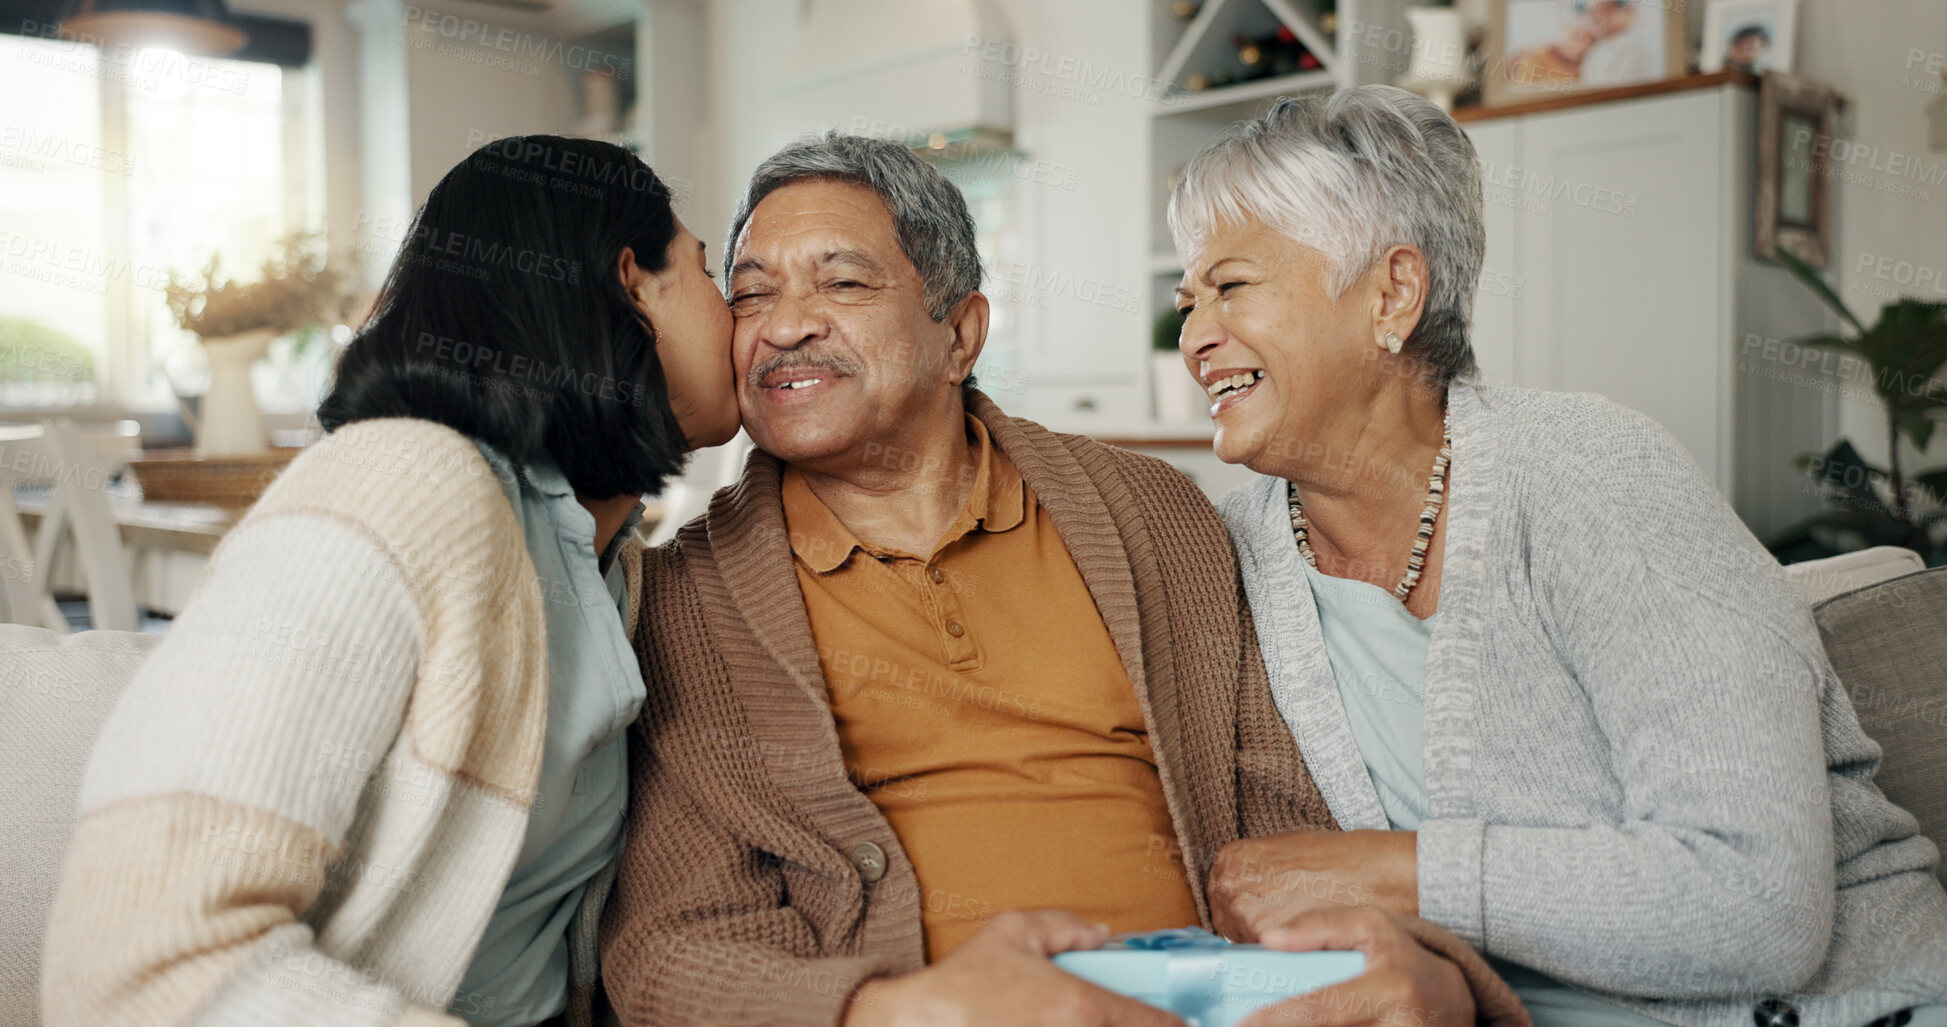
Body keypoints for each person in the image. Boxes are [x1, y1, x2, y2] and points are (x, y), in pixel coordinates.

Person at [598, 133, 1527, 1027]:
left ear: (959, 335)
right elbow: (670, 947)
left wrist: (1418, 963)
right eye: (751, 296)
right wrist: (897, 1011)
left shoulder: (1151, 515)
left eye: (842, 282)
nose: (787, 326)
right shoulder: (685, 601)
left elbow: (1290, 808)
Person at [1167, 85, 1947, 1027]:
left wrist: (1396, 871)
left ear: (1391, 292)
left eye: (1231, 286)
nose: (1194, 335)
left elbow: (1758, 897)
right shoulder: (1229, 554)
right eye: (1186, 299)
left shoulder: (1590, 471)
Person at [41, 135, 739, 1027]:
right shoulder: (403, 486)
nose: (739, 313)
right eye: (713, 273)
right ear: (631, 283)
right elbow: (134, 959)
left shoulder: (608, 570)